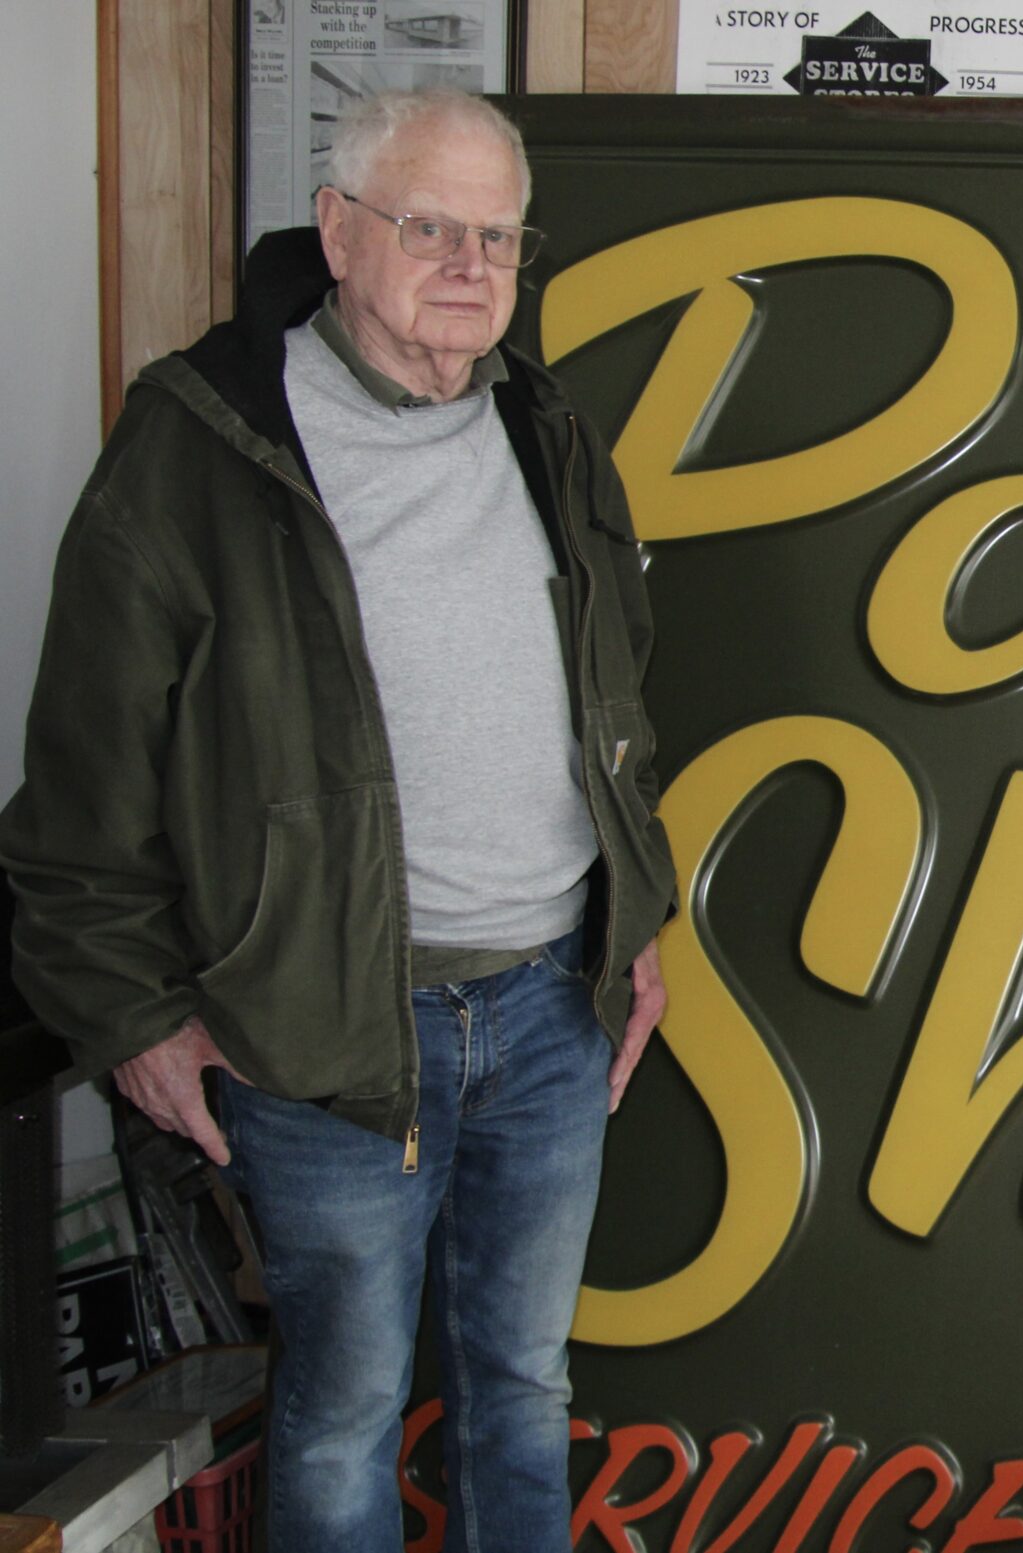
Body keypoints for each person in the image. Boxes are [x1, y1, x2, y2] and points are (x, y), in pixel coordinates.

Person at [0, 89, 677, 1550]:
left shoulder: (545, 427)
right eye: (428, 223)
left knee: (521, 1384)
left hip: (553, 1010)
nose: (469, 263)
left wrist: (637, 916)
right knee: (343, 1409)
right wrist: (129, 1016)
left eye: (498, 233)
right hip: (317, 1031)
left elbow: (614, 702)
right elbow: (77, 787)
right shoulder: (201, 448)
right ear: (336, 231)